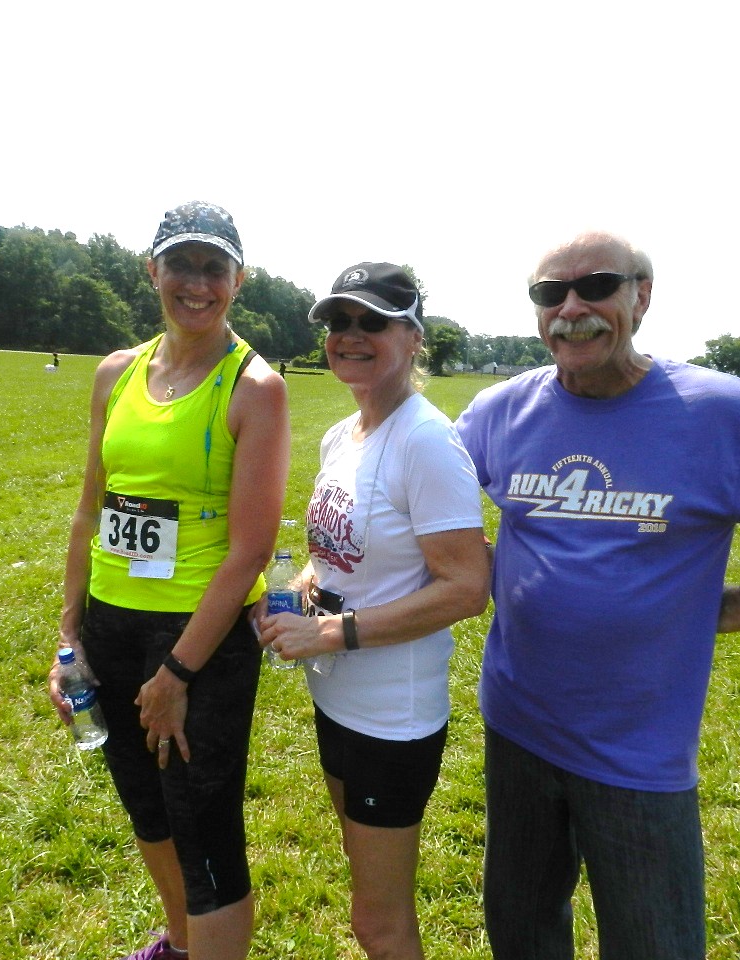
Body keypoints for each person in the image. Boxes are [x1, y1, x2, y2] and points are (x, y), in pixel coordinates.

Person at [454, 231, 740, 960]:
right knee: (521, 928)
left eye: (596, 286)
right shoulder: (498, 410)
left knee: (654, 943)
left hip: (637, 751)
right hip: (515, 722)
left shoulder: (724, 412)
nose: (571, 308)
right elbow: (426, 502)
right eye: (550, 293)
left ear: (641, 296)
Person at [48, 201, 290, 960]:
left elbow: (250, 552)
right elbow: (91, 510)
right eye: (180, 264)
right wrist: (68, 639)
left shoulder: (254, 387)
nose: (197, 283)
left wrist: (178, 672)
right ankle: (181, 944)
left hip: (196, 638)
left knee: (204, 825)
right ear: (151, 270)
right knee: (146, 807)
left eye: (215, 268)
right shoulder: (115, 373)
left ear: (239, 280)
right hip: (110, 625)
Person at [256, 262, 491, 960]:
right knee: (367, 896)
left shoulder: (425, 441)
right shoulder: (342, 435)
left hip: (392, 717)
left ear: (414, 337)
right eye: (339, 322)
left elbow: (466, 587)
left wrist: (331, 631)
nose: (350, 335)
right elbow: (334, 555)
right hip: (336, 699)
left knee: (379, 926)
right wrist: (300, 587)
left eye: (372, 322)